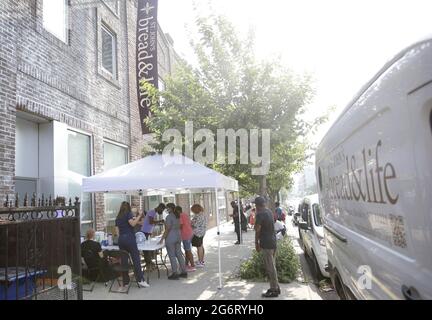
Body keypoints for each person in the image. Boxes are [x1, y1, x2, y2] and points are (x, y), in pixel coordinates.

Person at [115, 201, 149, 291]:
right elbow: (133, 224)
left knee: (124, 262)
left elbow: (117, 232)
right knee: (136, 259)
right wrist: (139, 215)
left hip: (121, 240)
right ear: (128, 207)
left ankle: (125, 282)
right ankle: (140, 280)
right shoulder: (128, 214)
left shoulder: (118, 217)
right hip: (129, 239)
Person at [254, 196, 280, 298]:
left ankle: (274, 290)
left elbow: (257, 229)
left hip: (266, 244)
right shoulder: (268, 211)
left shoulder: (260, 214)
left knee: (270, 268)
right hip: (272, 242)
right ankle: (276, 287)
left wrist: (256, 243)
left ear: (257, 205)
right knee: (272, 266)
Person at [159, 203, 187, 280]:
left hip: (171, 237)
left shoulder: (169, 217)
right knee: (179, 254)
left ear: (170, 208)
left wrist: (162, 239)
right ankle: (184, 272)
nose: (166, 210)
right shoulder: (177, 215)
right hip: (178, 236)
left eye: (167, 208)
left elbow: (167, 229)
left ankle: (175, 273)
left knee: (172, 256)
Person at [178, 206, 196, 272]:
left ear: (177, 211)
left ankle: (193, 266)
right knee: (187, 250)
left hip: (186, 235)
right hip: (189, 233)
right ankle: (186, 264)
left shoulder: (180, 215)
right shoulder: (185, 214)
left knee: (188, 250)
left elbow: (181, 225)